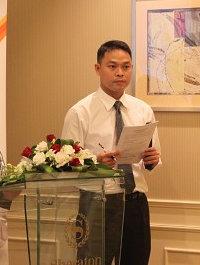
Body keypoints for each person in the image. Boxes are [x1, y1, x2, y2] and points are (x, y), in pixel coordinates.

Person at [61, 40, 162, 265]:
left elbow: (152, 156)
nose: (120, 73)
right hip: (97, 204)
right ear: (98, 69)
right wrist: (95, 164)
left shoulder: (143, 109)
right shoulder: (80, 112)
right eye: (112, 66)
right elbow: (66, 165)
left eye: (126, 67)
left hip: (135, 202)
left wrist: (152, 160)